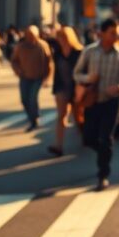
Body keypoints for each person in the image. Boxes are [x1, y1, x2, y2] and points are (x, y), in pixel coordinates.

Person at [73, 18, 119, 191]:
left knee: (106, 138)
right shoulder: (90, 52)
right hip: (92, 100)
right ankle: (104, 154)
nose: (116, 37)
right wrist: (88, 79)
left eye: (118, 34)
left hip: (112, 102)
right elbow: (76, 73)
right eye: (112, 33)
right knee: (89, 138)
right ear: (102, 33)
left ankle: (103, 174)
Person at [10, 25, 53, 132]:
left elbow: (50, 62)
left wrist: (48, 77)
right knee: (24, 100)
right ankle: (32, 117)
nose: (30, 37)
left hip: (38, 77)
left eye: (32, 35)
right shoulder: (21, 46)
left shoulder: (43, 45)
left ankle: (35, 119)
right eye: (28, 35)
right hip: (24, 77)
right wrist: (18, 71)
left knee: (32, 98)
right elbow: (14, 60)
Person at [48, 26, 83, 156]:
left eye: (63, 37)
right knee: (61, 116)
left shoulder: (78, 51)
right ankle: (58, 146)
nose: (61, 40)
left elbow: (84, 70)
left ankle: (84, 136)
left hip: (76, 88)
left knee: (78, 117)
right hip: (61, 88)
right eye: (59, 37)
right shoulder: (57, 52)